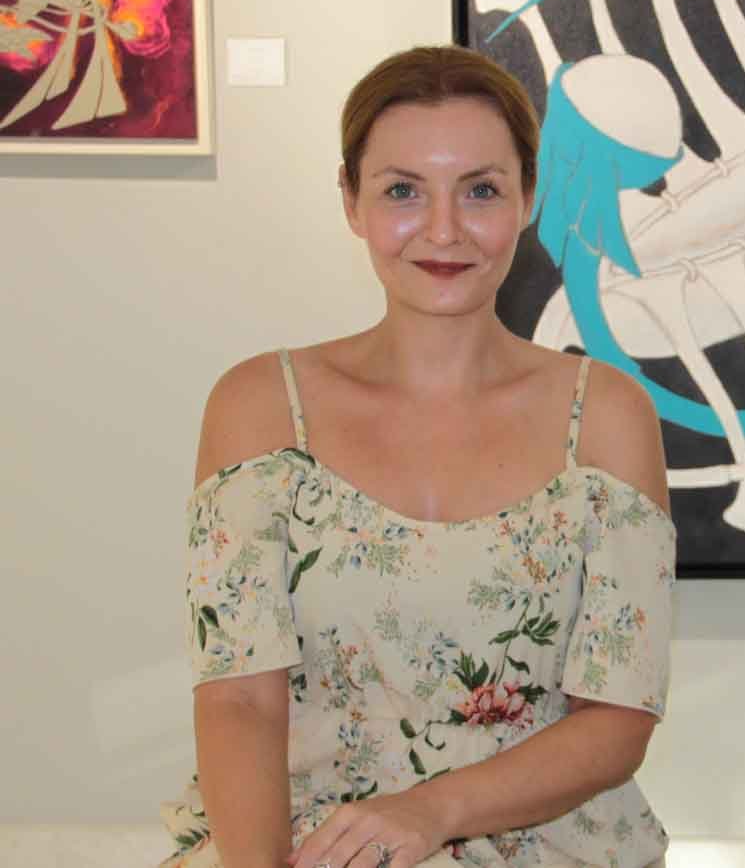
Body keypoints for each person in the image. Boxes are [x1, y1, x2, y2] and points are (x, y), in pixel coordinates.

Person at [159, 46, 675, 868]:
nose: (443, 230)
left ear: (528, 197)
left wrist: (428, 813)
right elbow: (238, 702)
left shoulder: (607, 416)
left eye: (480, 190)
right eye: (403, 190)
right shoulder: (259, 407)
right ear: (351, 201)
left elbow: (618, 718)